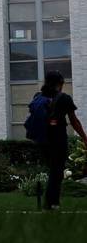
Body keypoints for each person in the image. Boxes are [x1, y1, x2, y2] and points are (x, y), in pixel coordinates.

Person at [35, 71, 87, 210]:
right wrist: (84, 137)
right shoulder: (64, 98)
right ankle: (52, 203)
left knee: (53, 170)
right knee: (57, 171)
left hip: (42, 140)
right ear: (60, 83)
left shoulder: (38, 97)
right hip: (58, 139)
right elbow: (74, 121)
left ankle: (51, 202)